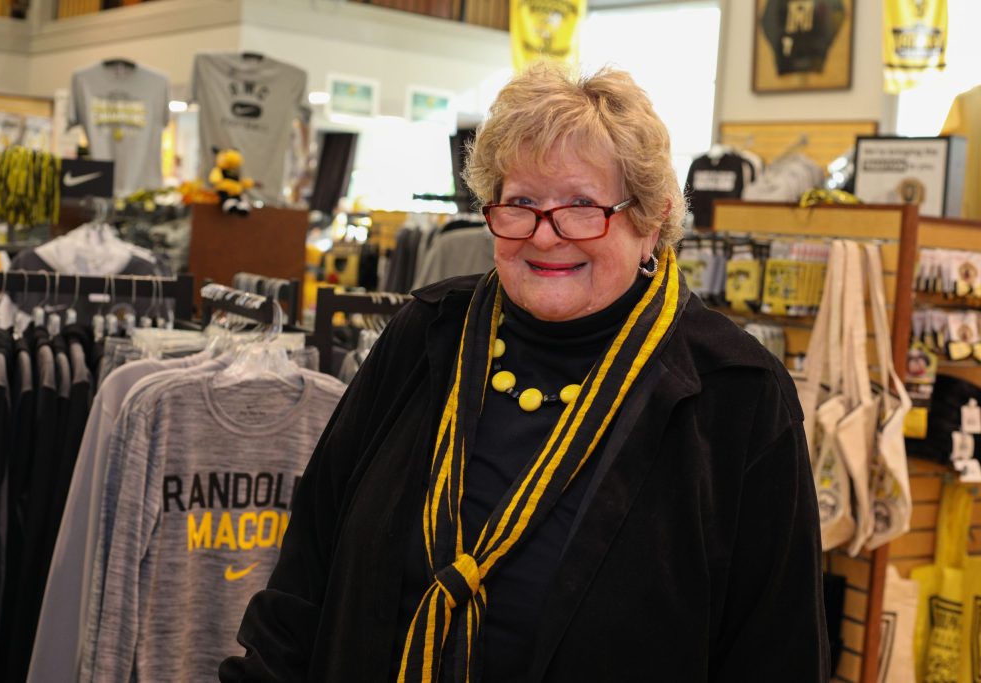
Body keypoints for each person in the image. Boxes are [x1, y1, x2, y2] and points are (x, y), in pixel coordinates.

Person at [220, 63, 828, 682]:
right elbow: (307, 571)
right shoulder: (427, 334)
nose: (546, 234)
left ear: (651, 222)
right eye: (522, 203)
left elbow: (777, 652)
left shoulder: (736, 395)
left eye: (582, 206)